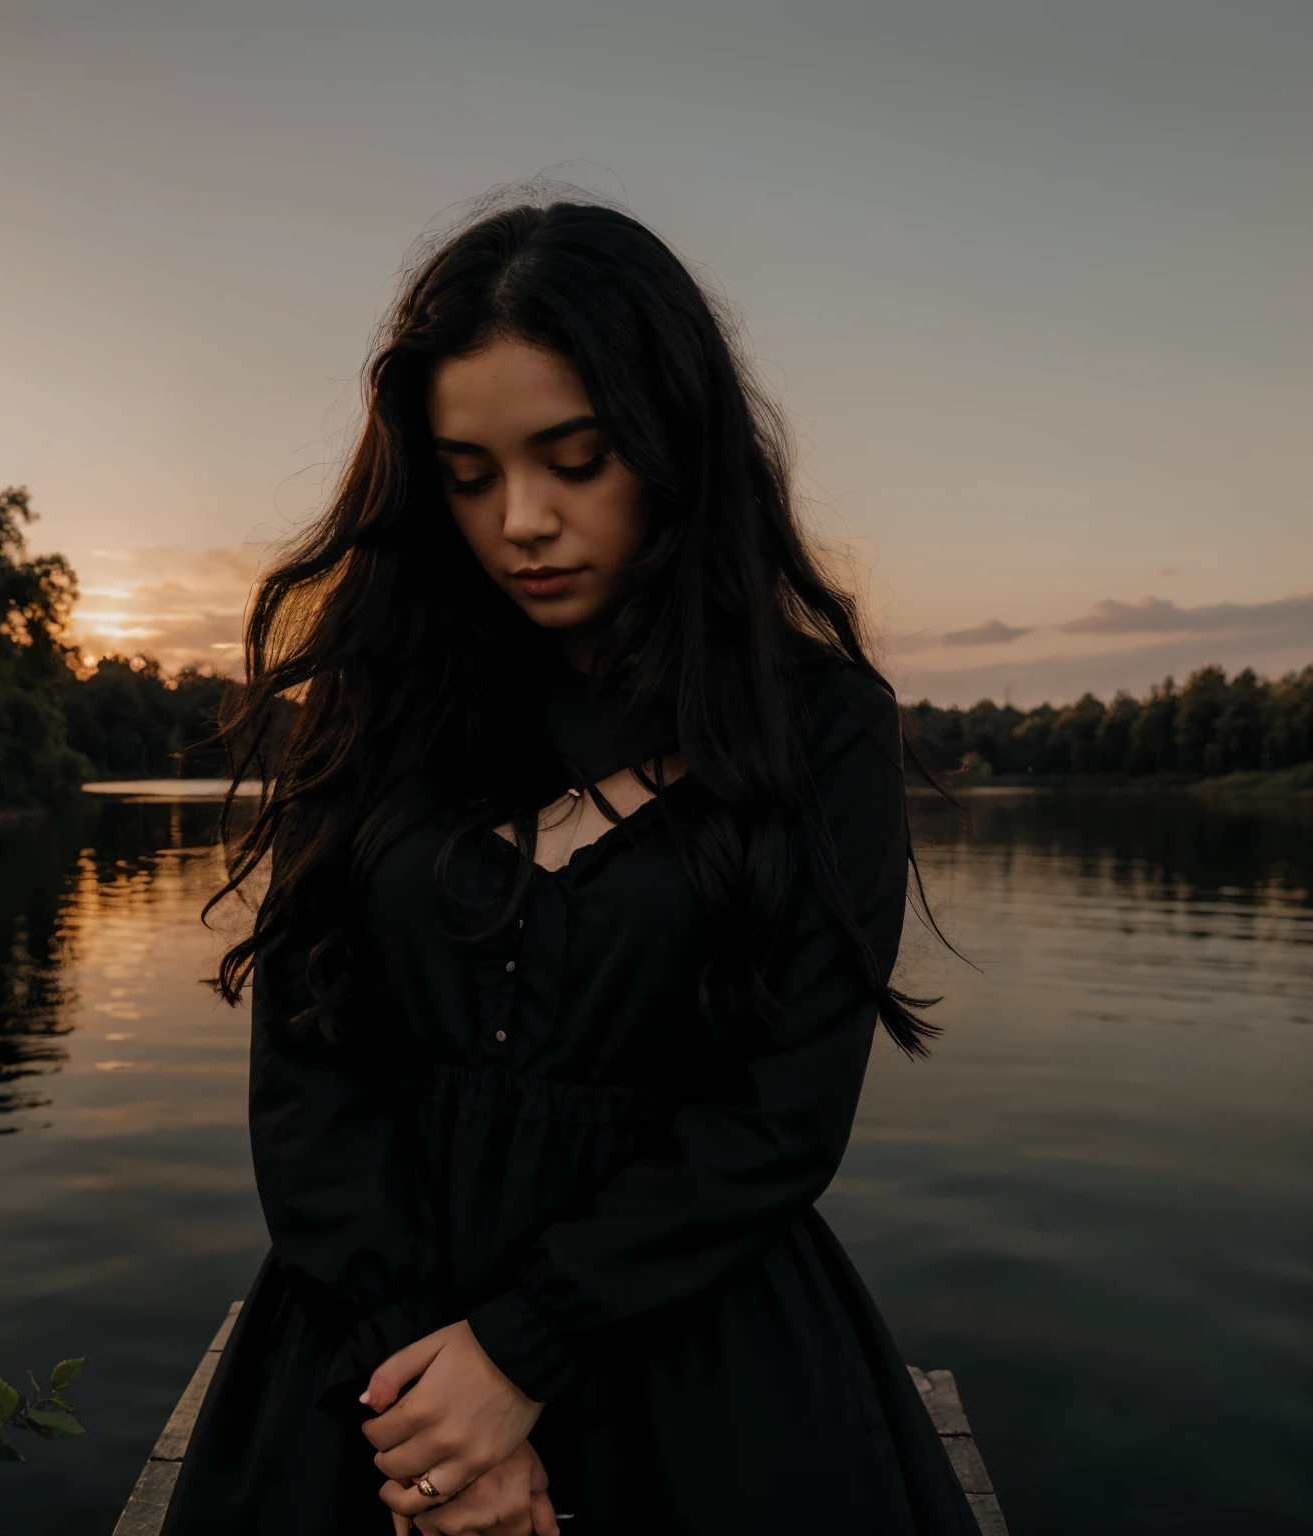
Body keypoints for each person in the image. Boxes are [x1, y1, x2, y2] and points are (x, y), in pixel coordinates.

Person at [161, 198, 981, 1535]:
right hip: (375, 1361)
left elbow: (781, 1115)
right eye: (469, 473)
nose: (519, 522)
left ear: (673, 443)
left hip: (698, 1356)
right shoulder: (380, 705)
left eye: (574, 458)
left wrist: (519, 1357)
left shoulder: (820, 728)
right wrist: (434, 1410)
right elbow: (309, 1084)